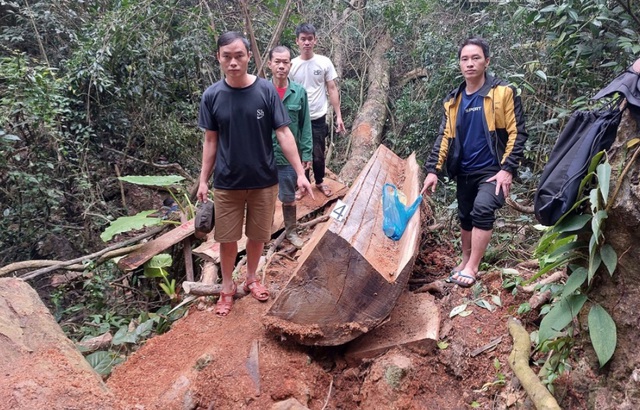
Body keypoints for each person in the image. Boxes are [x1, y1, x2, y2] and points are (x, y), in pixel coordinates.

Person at [197, 32, 314, 317]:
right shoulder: (212, 96)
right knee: (226, 239)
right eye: (227, 56)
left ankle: (251, 278)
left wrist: (300, 172)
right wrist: (203, 179)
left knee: (258, 235)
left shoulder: (265, 91)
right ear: (219, 58)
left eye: (239, 56)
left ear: (250, 57)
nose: (233, 62)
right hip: (227, 182)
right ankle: (226, 288)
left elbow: (284, 132)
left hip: (264, 179)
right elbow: (211, 140)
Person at [421, 37, 528, 288]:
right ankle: (465, 259)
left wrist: (507, 169)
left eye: (475, 58)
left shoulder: (502, 93)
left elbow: (517, 132)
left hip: (493, 171)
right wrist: (432, 170)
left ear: (486, 61)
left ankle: (473, 267)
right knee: (465, 216)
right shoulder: (453, 100)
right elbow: (444, 137)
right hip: (464, 170)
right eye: (465, 59)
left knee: (482, 209)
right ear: (459, 64)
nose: (470, 63)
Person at [289, 22, 346, 198]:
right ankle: (302, 185)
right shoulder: (291, 65)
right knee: (299, 153)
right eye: (303, 39)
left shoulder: (324, 62)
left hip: (317, 116)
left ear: (315, 40)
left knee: (318, 153)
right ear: (297, 41)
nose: (306, 43)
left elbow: (332, 88)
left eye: (310, 39)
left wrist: (338, 116)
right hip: (297, 117)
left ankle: (320, 181)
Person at [267, 45, 313, 249]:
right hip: (264, 155)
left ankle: (291, 231)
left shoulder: (299, 92)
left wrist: (307, 152)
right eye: (277, 61)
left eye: (285, 62)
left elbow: (305, 125)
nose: (281, 66)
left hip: (287, 157)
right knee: (264, 198)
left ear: (290, 65)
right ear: (270, 64)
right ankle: (264, 235)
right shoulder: (261, 91)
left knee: (288, 196)